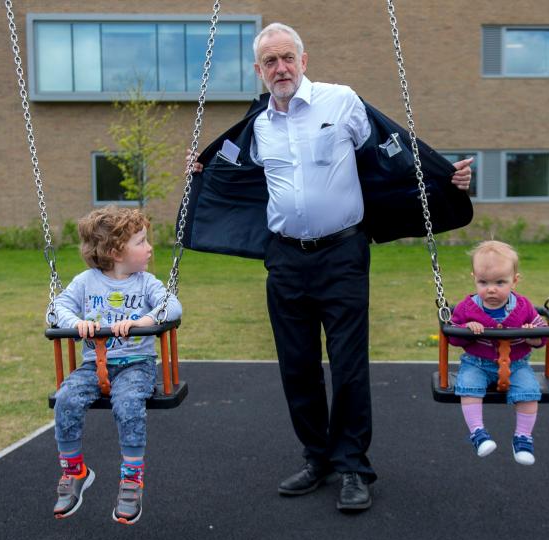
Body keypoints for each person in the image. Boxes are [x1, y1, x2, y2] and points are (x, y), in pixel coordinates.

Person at [188, 22, 473, 512]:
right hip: (284, 260)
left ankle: (354, 468)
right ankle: (316, 457)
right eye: (270, 62)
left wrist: (445, 175)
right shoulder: (257, 126)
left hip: (342, 255)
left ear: (304, 59)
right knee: (296, 367)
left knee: (347, 367)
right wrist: (204, 167)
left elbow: (393, 154)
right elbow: (233, 170)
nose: (280, 68)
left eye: (287, 58)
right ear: (259, 71)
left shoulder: (341, 102)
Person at [49, 206, 182, 525]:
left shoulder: (146, 283)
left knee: (127, 405)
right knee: (66, 401)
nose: (149, 247)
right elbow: (55, 311)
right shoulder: (85, 282)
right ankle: (74, 471)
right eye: (141, 241)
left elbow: (172, 306)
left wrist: (145, 320)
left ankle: (132, 479)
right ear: (114, 251)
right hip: (94, 365)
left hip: (137, 365)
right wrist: (77, 323)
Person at [446, 240, 547, 465]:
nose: (491, 289)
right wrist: (466, 329)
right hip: (476, 363)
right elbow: (452, 335)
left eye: (500, 282)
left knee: (530, 392)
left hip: (517, 364)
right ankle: (478, 433)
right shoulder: (467, 307)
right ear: (475, 278)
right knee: (468, 387)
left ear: (515, 281)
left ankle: (523, 438)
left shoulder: (524, 306)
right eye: (483, 282)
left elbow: (543, 335)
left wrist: (533, 336)